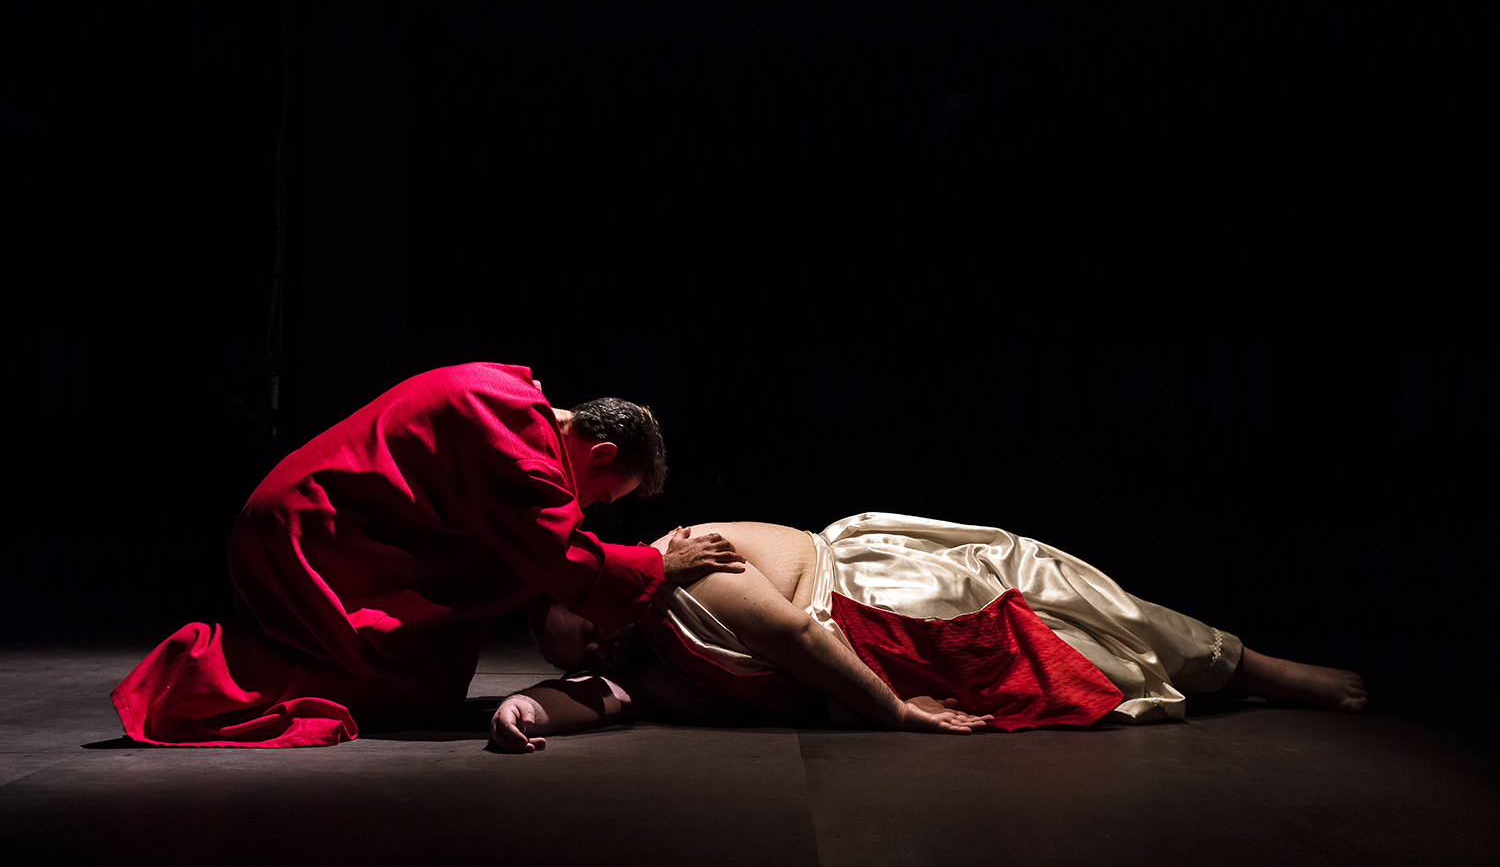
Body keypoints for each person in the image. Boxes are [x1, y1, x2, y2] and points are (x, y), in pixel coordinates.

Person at [111, 362, 745, 747]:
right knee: (367, 680)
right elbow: (560, 557)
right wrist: (663, 565)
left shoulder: (513, 400)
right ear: (601, 452)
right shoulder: (516, 441)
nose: (595, 508)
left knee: (425, 674)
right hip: (310, 535)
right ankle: (186, 679)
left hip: (333, 525)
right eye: (606, 496)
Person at [491, 513, 1367, 752]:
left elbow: (803, 642)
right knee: (1096, 665)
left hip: (882, 598)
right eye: (585, 655)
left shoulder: (687, 568)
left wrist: (896, 715)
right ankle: (1243, 677)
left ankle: (1266, 667)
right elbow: (595, 700)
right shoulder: (641, 665)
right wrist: (527, 710)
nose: (602, 651)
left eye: (590, 627)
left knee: (1084, 608)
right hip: (876, 660)